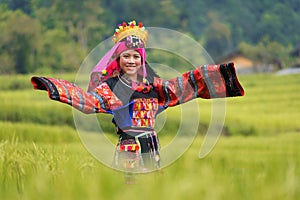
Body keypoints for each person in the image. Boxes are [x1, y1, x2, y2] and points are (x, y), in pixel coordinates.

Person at [31, 20, 244, 174]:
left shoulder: (153, 85)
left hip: (153, 146)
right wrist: (56, 88)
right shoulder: (111, 86)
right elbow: (90, 102)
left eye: (136, 56)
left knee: (153, 192)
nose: (131, 61)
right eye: (126, 56)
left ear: (142, 59)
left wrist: (217, 75)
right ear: (118, 59)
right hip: (128, 148)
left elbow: (181, 88)